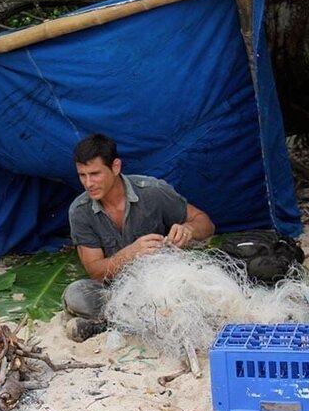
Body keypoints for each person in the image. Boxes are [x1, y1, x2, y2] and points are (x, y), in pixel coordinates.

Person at [63, 134, 215, 342]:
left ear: (115, 167)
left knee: (199, 290)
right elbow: (96, 272)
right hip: (116, 293)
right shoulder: (80, 211)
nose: (88, 183)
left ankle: (113, 324)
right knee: (76, 294)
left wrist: (188, 229)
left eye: (95, 174)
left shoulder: (152, 191)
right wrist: (129, 254)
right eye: (82, 175)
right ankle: (133, 320)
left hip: (165, 284)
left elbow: (205, 223)